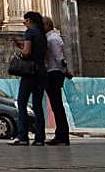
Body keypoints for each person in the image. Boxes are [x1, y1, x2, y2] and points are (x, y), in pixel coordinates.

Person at [11, 11, 47, 146]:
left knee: (22, 103)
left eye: (25, 20)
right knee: (38, 106)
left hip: (30, 73)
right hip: (41, 72)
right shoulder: (42, 34)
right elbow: (36, 51)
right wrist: (21, 45)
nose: (23, 22)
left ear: (30, 20)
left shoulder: (30, 32)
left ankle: (23, 136)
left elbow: (27, 53)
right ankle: (39, 138)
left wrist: (20, 54)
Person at [41, 17, 70, 145]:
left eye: (42, 25)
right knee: (56, 106)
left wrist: (65, 70)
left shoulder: (52, 39)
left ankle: (62, 136)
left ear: (47, 25)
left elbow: (59, 57)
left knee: (57, 106)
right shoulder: (53, 37)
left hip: (54, 73)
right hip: (54, 72)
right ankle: (61, 135)